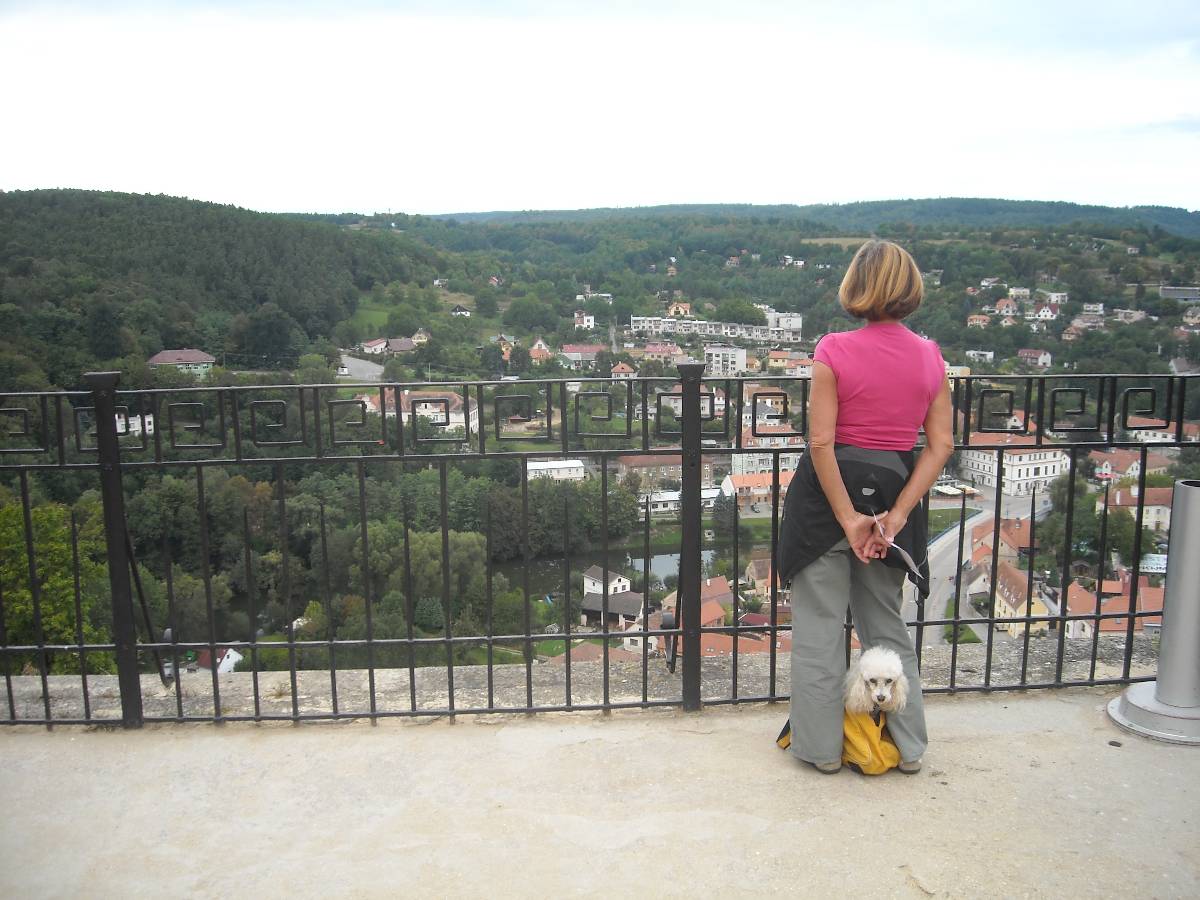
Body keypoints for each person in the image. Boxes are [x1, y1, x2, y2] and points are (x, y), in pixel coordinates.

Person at [777, 239, 954, 775]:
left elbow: (821, 442)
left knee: (818, 633)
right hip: (892, 496)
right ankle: (910, 748)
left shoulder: (834, 350)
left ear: (856, 286)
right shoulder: (930, 356)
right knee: (887, 630)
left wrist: (847, 518)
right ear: (910, 289)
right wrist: (893, 517)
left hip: (823, 503)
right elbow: (940, 445)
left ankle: (821, 752)